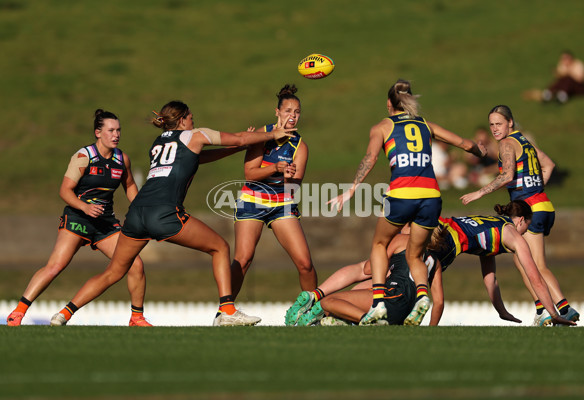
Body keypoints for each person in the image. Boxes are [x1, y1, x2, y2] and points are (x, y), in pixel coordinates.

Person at [49, 100, 296, 327]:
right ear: (182, 120)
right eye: (191, 117)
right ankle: (227, 311)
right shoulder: (195, 135)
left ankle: (65, 313)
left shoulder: (158, 143)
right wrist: (272, 134)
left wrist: (238, 146)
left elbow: (199, 158)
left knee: (114, 271)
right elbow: (241, 138)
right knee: (220, 247)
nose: (193, 121)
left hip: (137, 213)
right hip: (163, 214)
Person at [328, 79, 487, 326]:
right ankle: (423, 296)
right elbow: (465, 144)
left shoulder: (382, 126)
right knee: (416, 254)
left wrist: (351, 190)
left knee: (380, 244)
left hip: (402, 194)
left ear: (389, 104)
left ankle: (379, 303)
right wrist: (480, 152)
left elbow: (369, 158)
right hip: (431, 197)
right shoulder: (426, 125)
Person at [294, 201, 575, 327]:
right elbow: (534, 275)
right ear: (521, 221)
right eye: (528, 227)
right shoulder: (513, 234)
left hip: (437, 227)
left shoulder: (492, 229)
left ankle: (320, 299)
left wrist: (501, 311)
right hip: (442, 244)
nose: (526, 233)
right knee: (382, 273)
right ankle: (333, 305)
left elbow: (490, 278)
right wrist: (553, 312)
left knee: (373, 269)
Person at [6, 110, 151, 327]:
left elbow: (129, 185)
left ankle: (136, 318)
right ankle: (18, 312)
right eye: (111, 130)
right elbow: (65, 190)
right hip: (78, 218)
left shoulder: (122, 159)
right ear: (98, 133)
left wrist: (139, 208)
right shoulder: (84, 157)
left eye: (118, 130)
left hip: (105, 223)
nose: (116, 134)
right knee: (56, 266)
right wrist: (85, 207)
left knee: (135, 265)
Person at [461, 105, 579, 325]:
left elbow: (507, 175)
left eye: (499, 124)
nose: (495, 129)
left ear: (510, 123)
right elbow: (549, 165)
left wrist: (479, 192)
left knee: (533, 264)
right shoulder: (525, 142)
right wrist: (535, 189)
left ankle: (557, 308)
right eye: (492, 125)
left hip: (530, 210)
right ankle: (550, 308)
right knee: (521, 258)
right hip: (543, 205)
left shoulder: (506, 144)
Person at [230, 85, 318, 315]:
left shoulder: (300, 146)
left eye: (297, 111)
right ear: (277, 112)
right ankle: (225, 310)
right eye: (288, 110)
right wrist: (276, 169)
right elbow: (250, 173)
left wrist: (288, 179)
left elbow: (294, 187)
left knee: (305, 264)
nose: (293, 115)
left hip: (281, 204)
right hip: (253, 200)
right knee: (243, 259)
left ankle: (312, 314)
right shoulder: (263, 134)